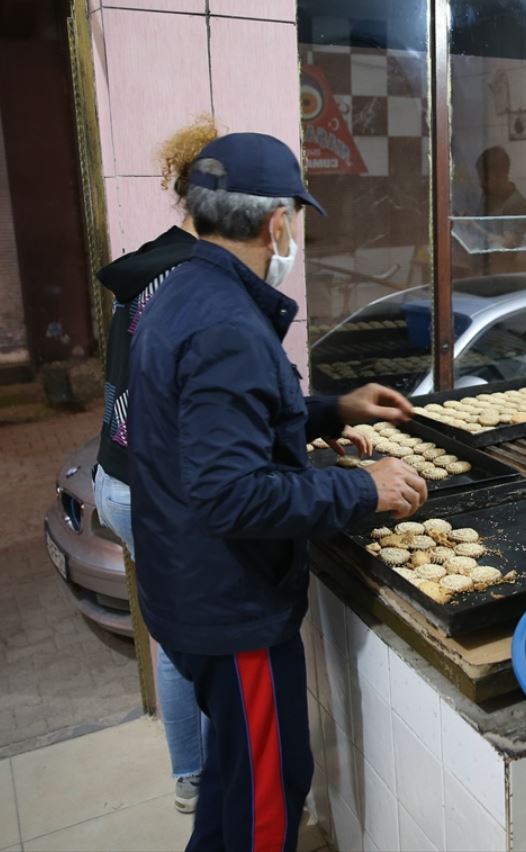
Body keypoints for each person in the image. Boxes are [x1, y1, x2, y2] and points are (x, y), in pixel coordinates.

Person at [127, 132, 428, 852]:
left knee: (233, 778)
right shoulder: (226, 323)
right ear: (275, 223)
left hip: (187, 589)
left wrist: (333, 410)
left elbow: (223, 421)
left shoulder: (180, 291)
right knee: (268, 795)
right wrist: (365, 491)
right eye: (294, 216)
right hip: (231, 610)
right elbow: (230, 494)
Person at [92, 116, 216, 814]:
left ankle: (192, 771)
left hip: (118, 475)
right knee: (184, 637)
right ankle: (200, 776)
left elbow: (122, 387)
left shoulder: (148, 263)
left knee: (171, 630)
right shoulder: (196, 282)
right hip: (153, 489)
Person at [476, 145, 526, 249]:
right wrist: (470, 221)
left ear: (500, 175)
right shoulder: (489, 193)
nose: (480, 183)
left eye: (484, 178)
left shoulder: (515, 204)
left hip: (501, 262)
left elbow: (508, 243)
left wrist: (474, 226)